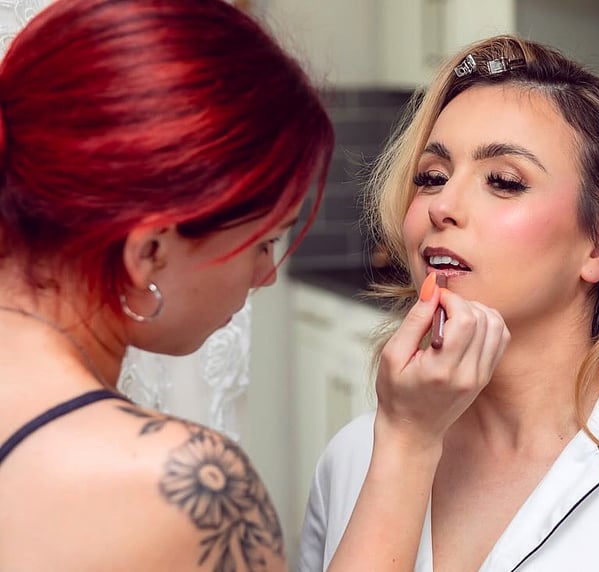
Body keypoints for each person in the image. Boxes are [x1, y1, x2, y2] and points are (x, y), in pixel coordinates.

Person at [0, 1, 509, 570]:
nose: (266, 275)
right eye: (264, 242)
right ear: (148, 253)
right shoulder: (182, 491)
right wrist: (409, 440)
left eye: (505, 182)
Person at [299, 35, 599, 571]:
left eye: (504, 182)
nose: (442, 205)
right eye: (432, 177)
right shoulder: (355, 460)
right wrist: (403, 448)